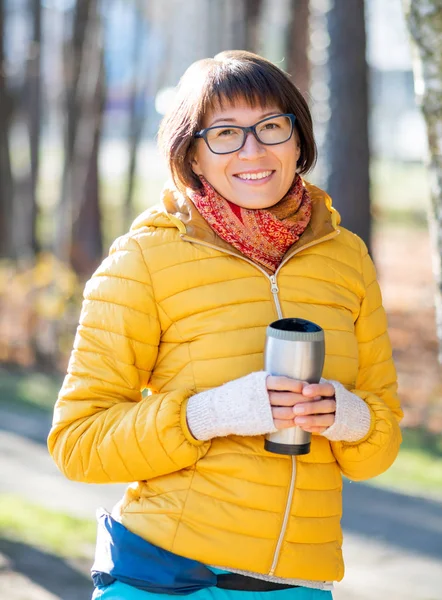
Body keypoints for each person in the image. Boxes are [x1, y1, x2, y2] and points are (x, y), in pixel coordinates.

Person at [48, 50, 403, 600]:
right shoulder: (146, 258)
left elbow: (379, 444)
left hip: (296, 584)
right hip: (166, 576)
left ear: (298, 137)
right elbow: (78, 443)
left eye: (271, 126)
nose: (253, 150)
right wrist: (210, 414)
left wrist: (347, 416)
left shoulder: (347, 258)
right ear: (192, 155)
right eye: (225, 134)